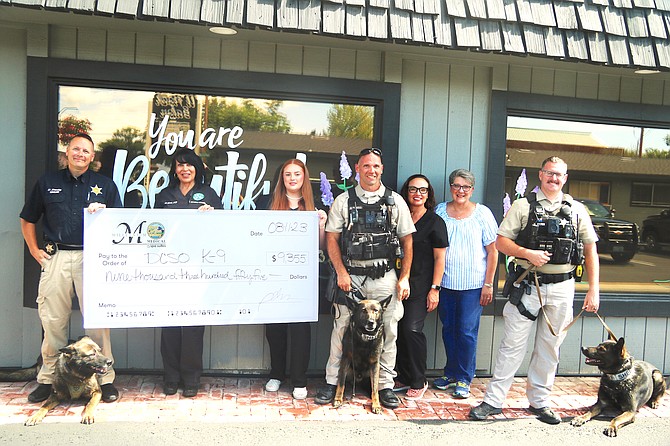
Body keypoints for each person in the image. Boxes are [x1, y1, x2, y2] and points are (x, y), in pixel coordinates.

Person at [470, 156, 600, 425]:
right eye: (550, 173)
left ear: (565, 178)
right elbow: (501, 242)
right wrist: (527, 252)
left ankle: (539, 401)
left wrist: (593, 290)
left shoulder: (577, 210)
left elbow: (590, 249)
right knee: (512, 346)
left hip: (563, 287)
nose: (554, 179)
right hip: (528, 285)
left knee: (550, 348)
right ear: (541, 175)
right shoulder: (522, 206)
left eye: (559, 175)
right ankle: (493, 401)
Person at [20, 133, 122, 404]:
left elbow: (119, 225)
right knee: (53, 321)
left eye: (85, 151)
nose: (80, 154)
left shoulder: (105, 185)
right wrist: (33, 249)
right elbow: (28, 219)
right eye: (75, 149)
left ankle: (104, 378)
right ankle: (48, 378)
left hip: (93, 258)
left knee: (98, 320)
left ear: (92, 156)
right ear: (67, 153)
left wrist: (104, 217)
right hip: (57, 257)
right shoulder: (48, 183)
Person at [314, 147, 415, 410]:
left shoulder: (395, 202)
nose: (372, 171)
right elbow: (332, 238)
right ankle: (332, 382)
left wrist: (404, 278)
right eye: (366, 166)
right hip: (352, 276)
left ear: (382, 169)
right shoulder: (343, 201)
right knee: (341, 327)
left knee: (389, 329)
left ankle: (384, 386)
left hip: (385, 278)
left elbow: (407, 241)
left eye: (376, 166)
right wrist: (340, 272)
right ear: (357, 168)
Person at [154, 148, 222, 397]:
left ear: (197, 169)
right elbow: (155, 230)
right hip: (169, 266)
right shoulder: (164, 196)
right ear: (174, 169)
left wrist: (212, 216)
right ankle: (171, 377)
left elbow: (224, 230)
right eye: (179, 165)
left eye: (189, 165)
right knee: (170, 321)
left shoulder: (210, 195)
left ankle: (191, 378)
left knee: (193, 325)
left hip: (199, 267)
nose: (184, 169)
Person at [263, 159, 327, 400]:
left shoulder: (315, 206)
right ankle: (276, 374)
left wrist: (321, 225)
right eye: (287, 174)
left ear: (304, 177)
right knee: (275, 328)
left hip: (303, 278)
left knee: (300, 329)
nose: (292, 178)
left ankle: (299, 380)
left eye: (297, 174)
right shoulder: (267, 203)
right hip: (272, 275)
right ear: (282, 178)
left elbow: (322, 246)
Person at [432, 169, 498, 399]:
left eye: (465, 187)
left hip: (473, 286)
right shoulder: (440, 211)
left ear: (472, 189)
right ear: (451, 187)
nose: (460, 191)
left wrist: (488, 284)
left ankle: (464, 378)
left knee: (466, 332)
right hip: (446, 283)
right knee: (449, 330)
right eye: (456, 186)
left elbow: (493, 251)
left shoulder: (483, 214)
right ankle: (450, 373)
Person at [394, 174, 448, 400]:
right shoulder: (399, 216)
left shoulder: (435, 222)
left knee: (411, 330)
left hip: (421, 286)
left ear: (428, 194)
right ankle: (403, 376)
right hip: (396, 284)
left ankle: (419, 379)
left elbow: (440, 259)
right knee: (395, 332)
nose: (418, 194)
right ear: (406, 192)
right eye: (413, 189)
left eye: (423, 190)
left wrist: (435, 288)